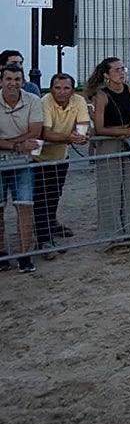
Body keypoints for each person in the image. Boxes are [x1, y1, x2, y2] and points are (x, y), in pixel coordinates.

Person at [85, 57, 130, 250]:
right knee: (110, 189)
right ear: (106, 74)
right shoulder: (102, 96)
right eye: (116, 70)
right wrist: (125, 132)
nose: (121, 72)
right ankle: (112, 236)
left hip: (127, 142)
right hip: (109, 143)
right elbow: (100, 128)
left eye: (122, 69)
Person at [33, 72, 89, 252]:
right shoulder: (44, 102)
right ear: (51, 89)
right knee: (41, 198)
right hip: (38, 158)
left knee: (55, 193)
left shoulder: (78, 101)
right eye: (57, 88)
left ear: (73, 90)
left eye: (66, 88)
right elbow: (46, 133)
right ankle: (44, 239)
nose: (61, 92)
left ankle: (50, 226)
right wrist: (72, 137)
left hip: (60, 156)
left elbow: (83, 127)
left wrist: (77, 137)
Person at [0, 63, 43, 273]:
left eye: (17, 79)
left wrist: (5, 142)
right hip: (11, 156)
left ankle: (25, 254)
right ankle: (1, 254)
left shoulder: (33, 100)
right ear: (1, 81)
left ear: (23, 82)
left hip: (23, 162)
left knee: (25, 206)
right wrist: (17, 145)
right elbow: (27, 137)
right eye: (8, 79)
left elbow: (35, 132)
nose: (13, 83)